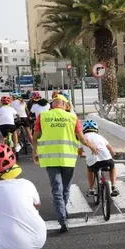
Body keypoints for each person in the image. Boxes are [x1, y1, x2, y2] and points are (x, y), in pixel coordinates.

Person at [34, 95, 95, 233]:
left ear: (52, 104)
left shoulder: (43, 117)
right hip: (68, 159)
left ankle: (62, 219)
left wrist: (34, 152)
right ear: (65, 104)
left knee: (56, 189)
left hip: (50, 159)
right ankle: (63, 213)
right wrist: (92, 147)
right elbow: (82, 138)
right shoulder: (72, 117)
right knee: (65, 189)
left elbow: (35, 137)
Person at [81, 119, 120, 197]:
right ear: (96, 129)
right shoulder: (100, 136)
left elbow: (79, 151)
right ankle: (114, 186)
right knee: (112, 167)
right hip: (106, 159)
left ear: (84, 130)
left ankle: (91, 189)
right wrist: (114, 154)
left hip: (93, 162)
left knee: (90, 170)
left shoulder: (83, 138)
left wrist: (82, 154)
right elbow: (110, 148)